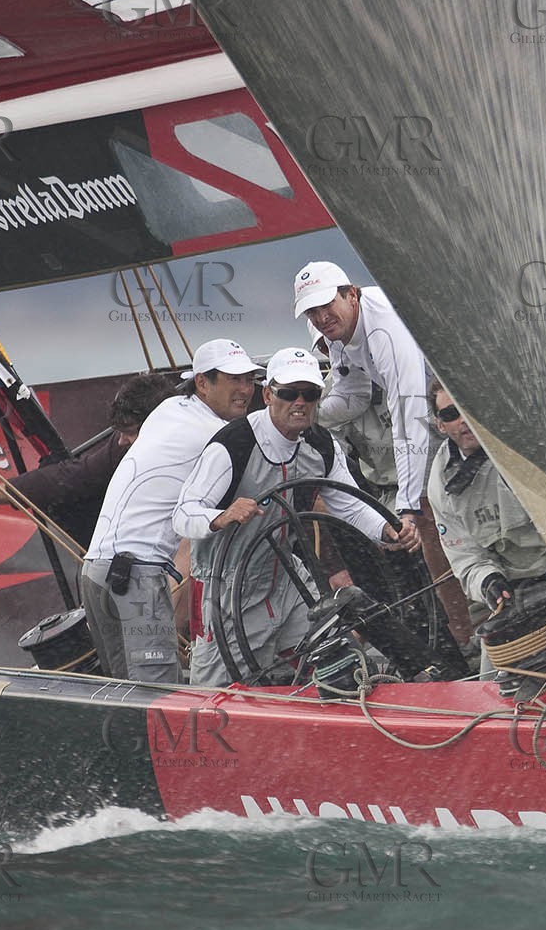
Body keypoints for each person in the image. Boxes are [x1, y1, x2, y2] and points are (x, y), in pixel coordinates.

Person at [173, 347, 421, 687]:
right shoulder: (232, 445)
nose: (300, 402)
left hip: (285, 578)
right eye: (289, 393)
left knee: (342, 656)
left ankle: (352, 700)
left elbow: (349, 504)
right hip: (226, 590)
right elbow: (183, 513)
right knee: (215, 697)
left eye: (310, 394)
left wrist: (387, 529)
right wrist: (221, 516)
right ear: (268, 395)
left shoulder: (322, 445)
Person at [292, 261, 475, 647]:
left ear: (352, 294)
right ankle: (469, 635)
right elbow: (354, 394)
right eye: (312, 311)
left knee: (425, 517)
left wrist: (407, 505)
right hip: (439, 406)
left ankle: (470, 635)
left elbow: (408, 415)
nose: (322, 317)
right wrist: (304, 413)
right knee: (432, 523)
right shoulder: (340, 335)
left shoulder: (383, 330)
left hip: (468, 400)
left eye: (328, 305)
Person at [81, 339, 262, 683]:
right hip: (135, 579)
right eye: (233, 380)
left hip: (95, 573)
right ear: (203, 383)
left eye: (249, 379)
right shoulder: (219, 436)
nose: (245, 390)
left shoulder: (168, 409)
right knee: (159, 698)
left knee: (126, 694)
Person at [0, 373, 172, 547]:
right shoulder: (124, 448)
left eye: (130, 432)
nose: (122, 441)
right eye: (119, 432)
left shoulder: (201, 447)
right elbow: (67, 478)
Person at [425, 383, 546, 671]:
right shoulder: (440, 481)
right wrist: (488, 582)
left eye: (467, 408)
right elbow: (466, 559)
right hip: (515, 591)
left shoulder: (527, 445)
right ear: (440, 425)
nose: (462, 420)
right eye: (450, 414)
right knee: (492, 681)